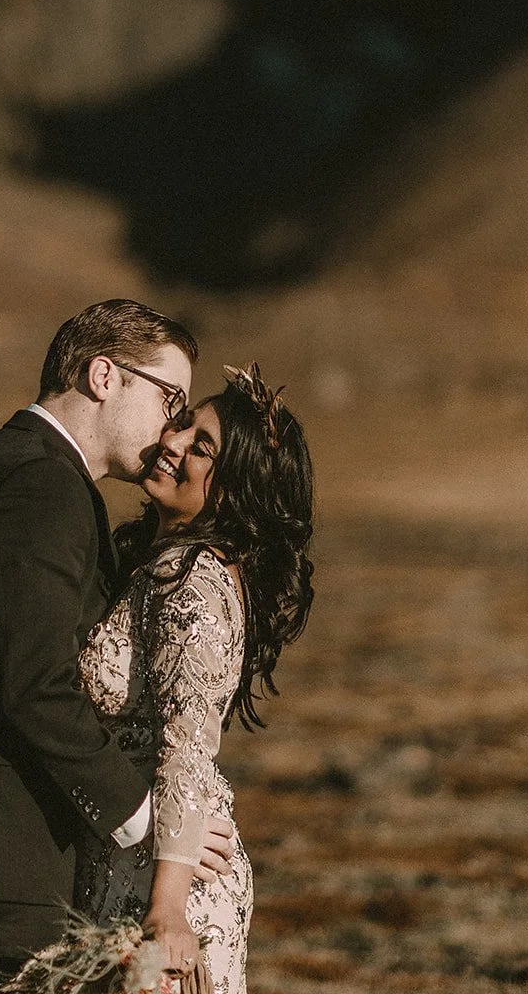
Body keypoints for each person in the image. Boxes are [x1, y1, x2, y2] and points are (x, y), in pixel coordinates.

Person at [0, 299, 234, 994]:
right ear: (103, 376)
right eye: (168, 399)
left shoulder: (17, 467)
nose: (171, 428)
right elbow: (35, 684)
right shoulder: (39, 483)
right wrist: (148, 820)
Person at [74, 363, 315, 994]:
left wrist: (167, 909)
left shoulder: (193, 580)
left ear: (231, 493)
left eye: (200, 446)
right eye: (181, 423)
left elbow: (187, 745)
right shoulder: (162, 562)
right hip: (133, 856)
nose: (173, 441)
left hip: (167, 885)